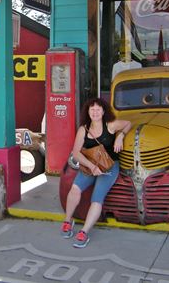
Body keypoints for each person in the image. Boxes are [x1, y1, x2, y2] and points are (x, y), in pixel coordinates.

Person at [61, 97, 131, 248]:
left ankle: (84, 232)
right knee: (75, 189)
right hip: (89, 166)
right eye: (92, 109)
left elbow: (128, 123)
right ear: (88, 111)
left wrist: (120, 136)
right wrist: (92, 167)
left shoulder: (110, 125)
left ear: (103, 111)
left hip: (109, 168)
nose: (95, 112)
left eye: (98, 109)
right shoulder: (83, 129)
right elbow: (76, 153)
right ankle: (68, 221)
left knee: (96, 198)